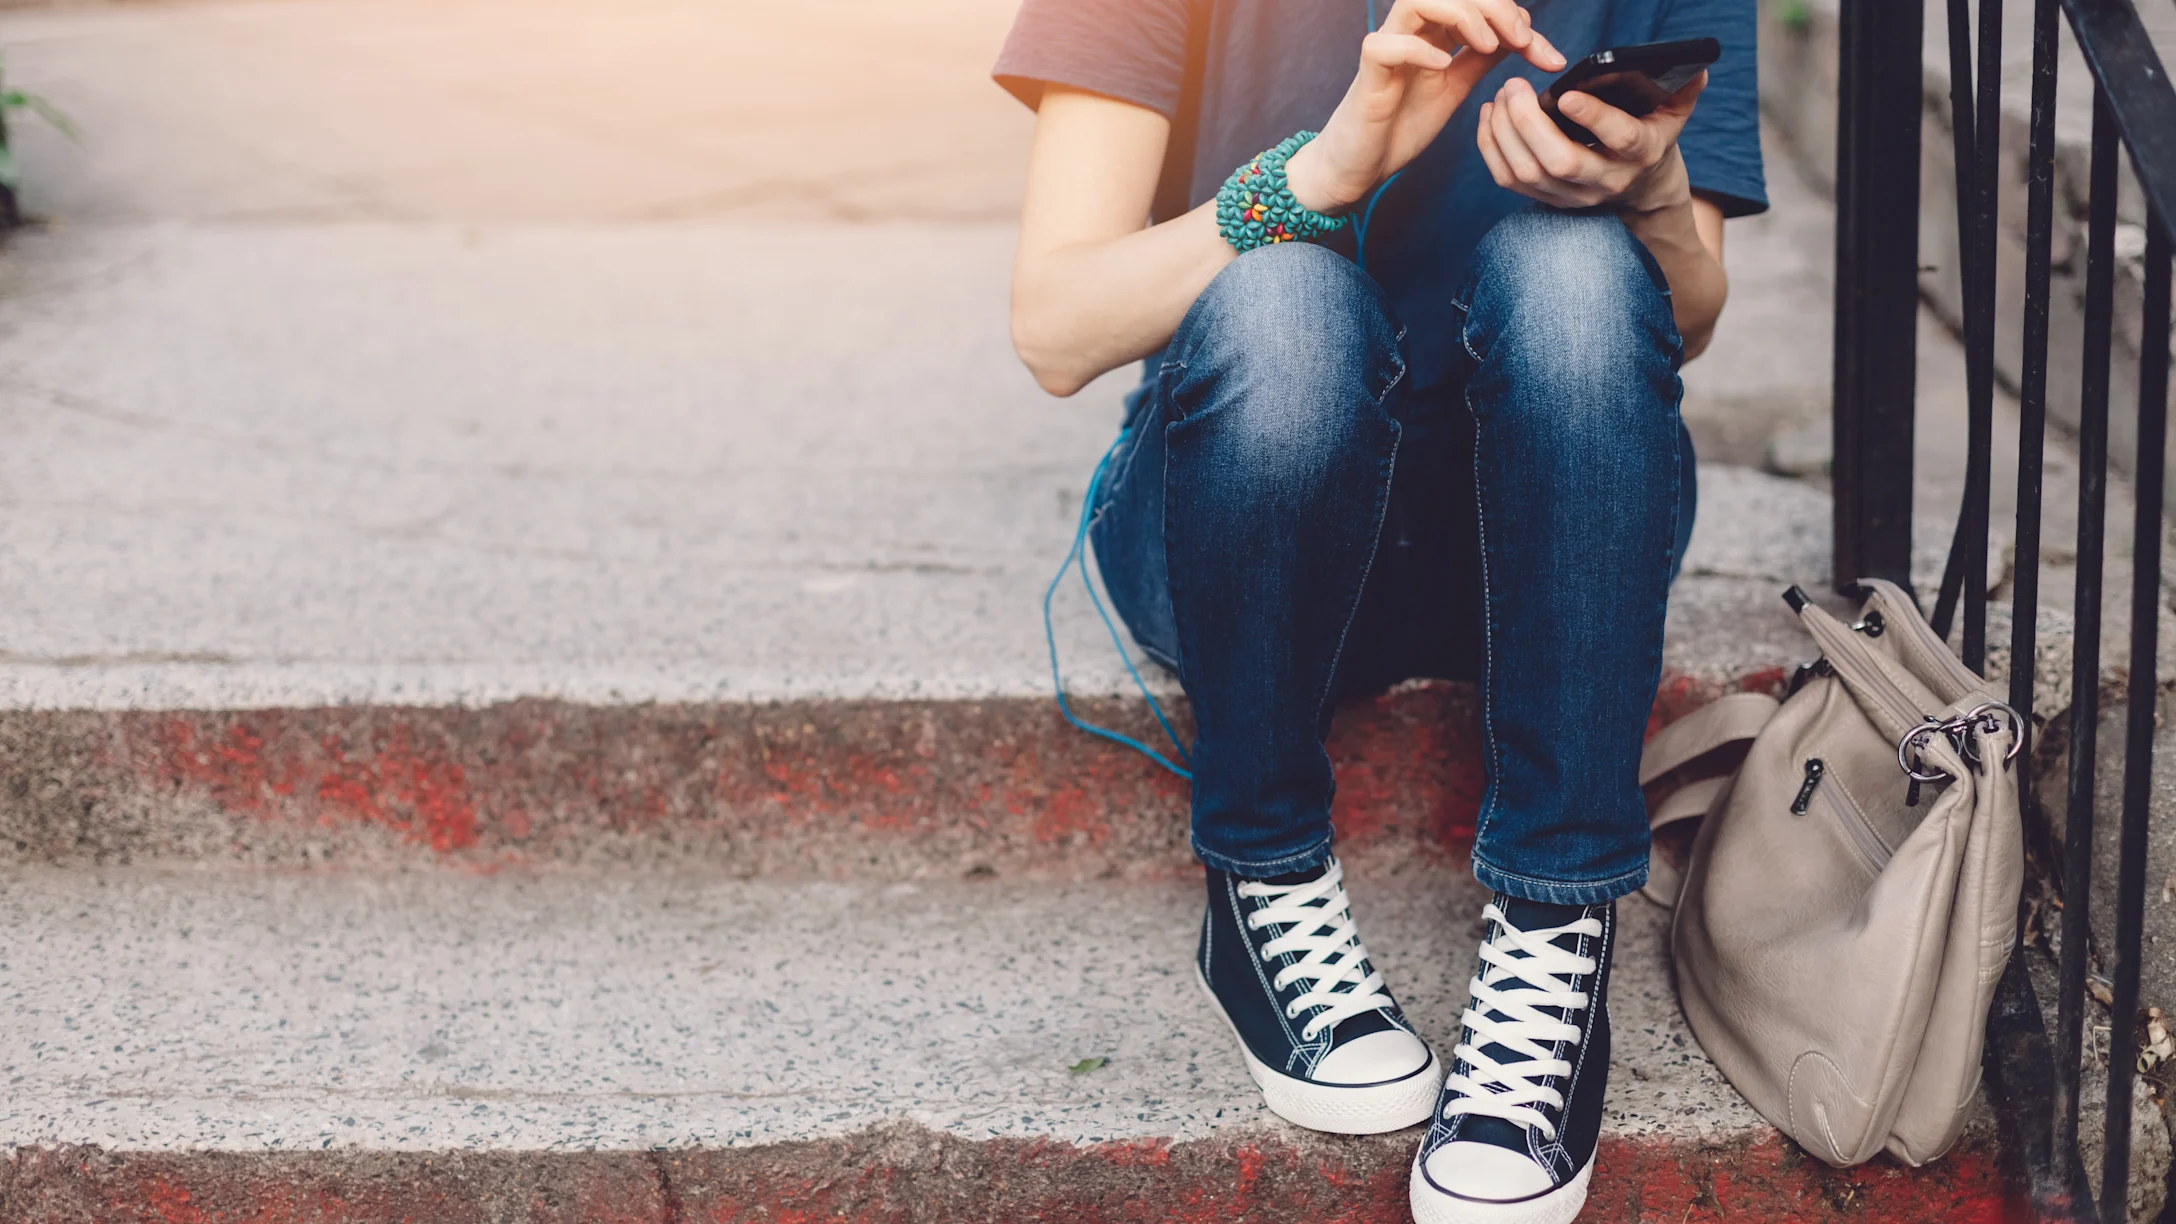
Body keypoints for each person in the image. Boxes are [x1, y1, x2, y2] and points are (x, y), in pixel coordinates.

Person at [994, 0, 1764, 1217]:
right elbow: (1055, 327)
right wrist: (1321, 169)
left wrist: (1650, 191)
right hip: (1244, 527)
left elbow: (1692, 316)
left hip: (1540, 552)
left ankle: (1558, 921)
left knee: (1571, 267)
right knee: (1284, 300)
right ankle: (1261, 872)